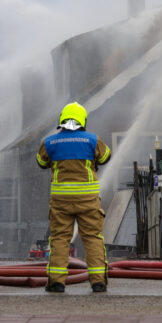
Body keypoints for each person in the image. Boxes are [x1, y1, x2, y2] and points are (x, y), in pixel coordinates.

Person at [36, 102, 111, 293]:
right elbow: (105, 158)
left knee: (60, 238)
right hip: (88, 200)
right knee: (93, 238)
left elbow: (41, 162)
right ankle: (98, 282)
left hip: (61, 201)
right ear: (82, 120)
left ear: (62, 119)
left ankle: (56, 282)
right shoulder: (92, 140)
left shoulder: (50, 142)